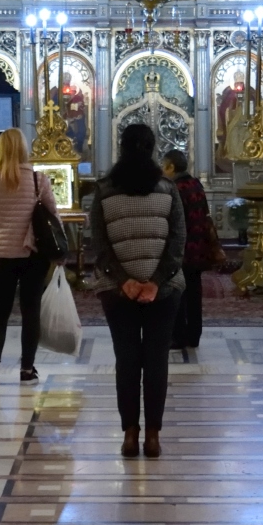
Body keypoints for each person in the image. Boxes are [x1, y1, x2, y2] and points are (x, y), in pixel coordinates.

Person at [89, 123, 186, 459]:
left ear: (121, 147)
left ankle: (131, 434)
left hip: (118, 293)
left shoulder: (104, 190)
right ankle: (153, 437)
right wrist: (157, 280)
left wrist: (123, 280)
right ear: (152, 148)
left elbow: (99, 245)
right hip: (163, 291)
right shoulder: (167, 188)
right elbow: (177, 241)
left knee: (127, 360)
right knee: (156, 360)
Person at [0, 128, 62, 384]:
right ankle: (27, 369)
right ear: (24, 149)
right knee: (30, 311)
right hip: (33, 255)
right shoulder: (38, 179)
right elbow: (53, 218)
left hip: (1, 254)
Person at [162, 150, 220, 354]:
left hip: (182, 251)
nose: (162, 170)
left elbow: (173, 222)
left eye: (164, 166)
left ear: (171, 167)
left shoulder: (174, 188)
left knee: (177, 293)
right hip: (199, 249)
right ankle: (194, 335)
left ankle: (179, 337)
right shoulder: (196, 184)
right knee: (195, 294)